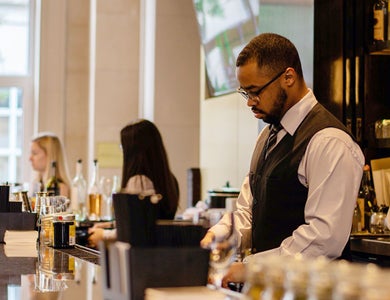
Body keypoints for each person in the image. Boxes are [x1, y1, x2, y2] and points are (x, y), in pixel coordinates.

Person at [200, 33, 365, 287]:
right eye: (245, 93)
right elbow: (247, 211)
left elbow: (323, 238)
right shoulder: (267, 135)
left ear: (288, 77)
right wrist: (216, 237)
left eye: (255, 92)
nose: (250, 103)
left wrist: (250, 268)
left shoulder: (329, 141)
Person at [88, 119, 180, 246]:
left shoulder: (139, 181)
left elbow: (137, 230)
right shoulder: (169, 179)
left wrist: (103, 235)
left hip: (141, 257)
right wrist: (110, 225)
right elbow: (149, 220)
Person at [29, 132, 71, 198]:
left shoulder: (59, 188)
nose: (30, 158)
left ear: (50, 156)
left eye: (35, 153)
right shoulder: (37, 184)